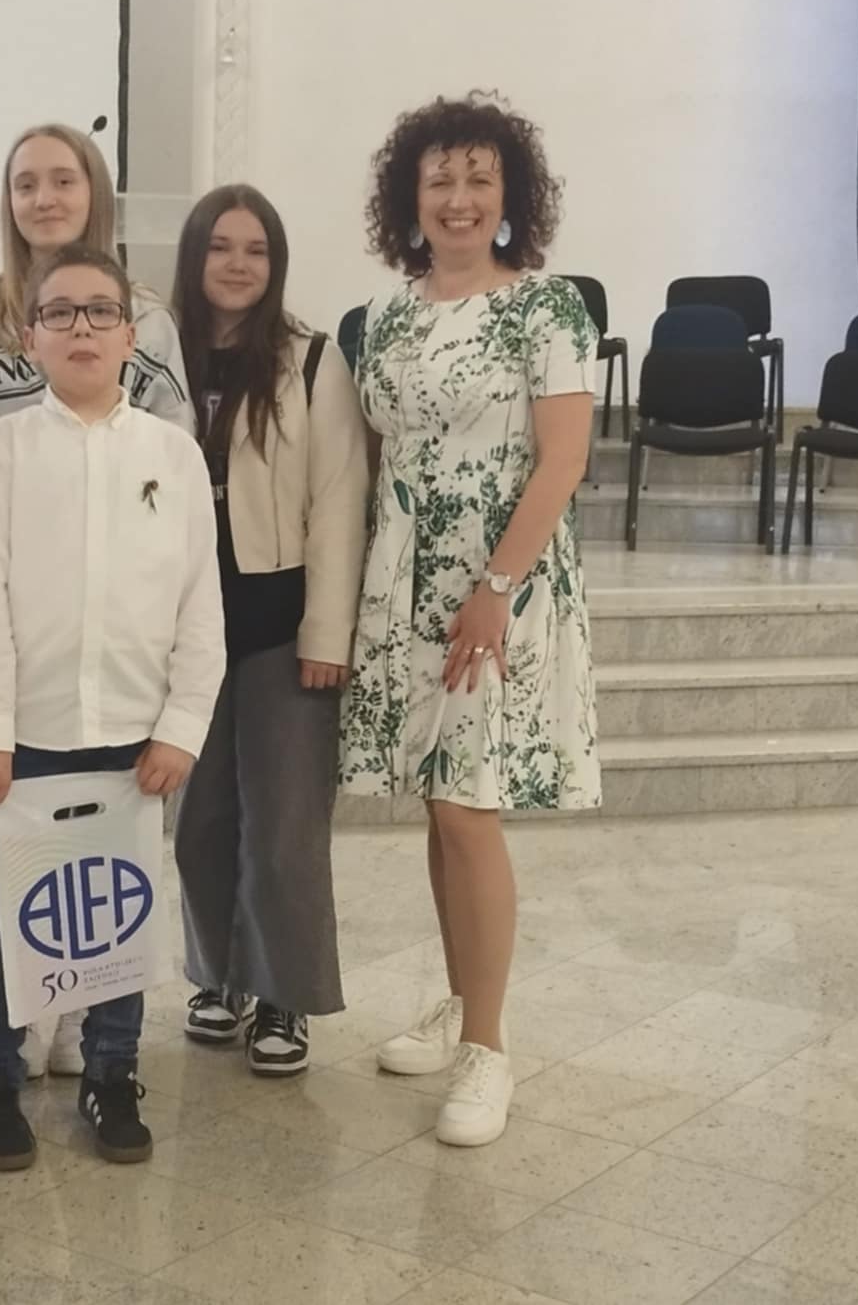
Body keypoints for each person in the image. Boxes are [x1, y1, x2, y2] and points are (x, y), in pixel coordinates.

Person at [343, 93, 601, 1147]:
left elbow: (564, 460)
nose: (458, 198)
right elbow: (377, 456)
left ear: (510, 195)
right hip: (403, 583)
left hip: (497, 585)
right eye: (439, 179)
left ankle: (489, 1048)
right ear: (409, 198)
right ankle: (459, 1004)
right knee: (436, 808)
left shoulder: (546, 309)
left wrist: (494, 588)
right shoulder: (386, 316)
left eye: (478, 178)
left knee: (468, 807)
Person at [0, 243, 223, 1170]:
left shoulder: (171, 454)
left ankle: (112, 1070)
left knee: (116, 914)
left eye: (100, 311)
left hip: (134, 737)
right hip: (25, 739)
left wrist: (182, 727)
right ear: (31, 338)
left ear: (130, 335)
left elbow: (200, 604)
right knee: (1, 923)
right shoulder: (5, 450)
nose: (81, 328)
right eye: (59, 312)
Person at [0, 121, 192, 1077]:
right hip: (17, 624)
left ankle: (86, 1012)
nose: (44, 198)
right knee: (12, 864)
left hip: (116, 633)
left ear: (96, 193)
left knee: (105, 861)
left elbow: (163, 460)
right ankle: (21, 1019)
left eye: (63, 180)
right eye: (26, 183)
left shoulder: (148, 317)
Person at [168, 185, 369, 1075]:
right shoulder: (159, 353)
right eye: (221, 246)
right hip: (183, 625)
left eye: (256, 249)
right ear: (194, 255)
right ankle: (219, 976)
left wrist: (327, 635)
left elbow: (339, 502)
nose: (238, 264)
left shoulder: (312, 358)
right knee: (200, 820)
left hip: (281, 622)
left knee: (283, 827)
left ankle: (283, 993)